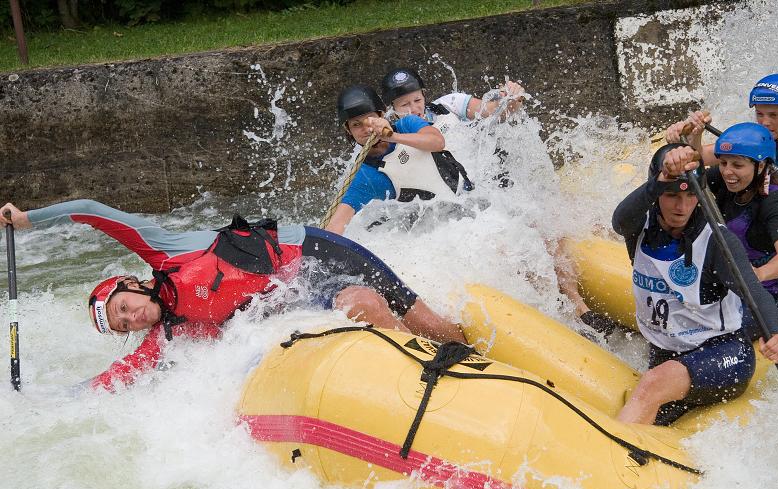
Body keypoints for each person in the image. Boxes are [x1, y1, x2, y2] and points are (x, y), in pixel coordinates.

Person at [0, 200, 466, 392]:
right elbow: (119, 376)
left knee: (433, 324)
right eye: (124, 324)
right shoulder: (176, 330)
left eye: (124, 307)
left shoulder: (161, 249)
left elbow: (92, 211)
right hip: (305, 294)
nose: (134, 318)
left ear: (131, 284)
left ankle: (466, 353)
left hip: (321, 251)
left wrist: (31, 219)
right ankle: (430, 380)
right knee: (363, 304)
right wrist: (52, 397)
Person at [612, 143, 778, 425]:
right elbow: (619, 220)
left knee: (653, 384)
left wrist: (776, 333)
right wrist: (662, 179)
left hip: (724, 354)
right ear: (655, 191)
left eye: (691, 195)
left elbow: (753, 291)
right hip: (667, 351)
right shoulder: (639, 226)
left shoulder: (717, 242)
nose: (681, 207)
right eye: (671, 195)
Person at [324, 84, 472, 235]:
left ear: (381, 116)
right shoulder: (366, 176)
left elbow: (437, 142)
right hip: (439, 230)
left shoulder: (408, 124)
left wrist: (392, 136)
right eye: (356, 125)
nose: (366, 129)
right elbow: (336, 225)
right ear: (349, 131)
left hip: (470, 199)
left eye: (370, 120)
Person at [708, 123, 778, 339]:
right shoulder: (726, 179)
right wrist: (690, 139)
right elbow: (692, 166)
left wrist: (757, 275)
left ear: (760, 166)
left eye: (737, 165)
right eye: (723, 163)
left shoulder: (776, 201)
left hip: (770, 296)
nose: (728, 171)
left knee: (713, 336)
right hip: (728, 287)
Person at [666, 73, 778, 185]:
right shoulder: (752, 137)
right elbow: (700, 156)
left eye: (773, 115)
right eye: (759, 114)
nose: (764, 122)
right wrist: (695, 135)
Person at [380, 67, 526, 131]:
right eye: (404, 104)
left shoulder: (450, 104)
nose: (413, 109)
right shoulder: (393, 137)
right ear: (392, 110)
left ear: (424, 96)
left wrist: (514, 98)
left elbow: (494, 112)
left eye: (417, 100)